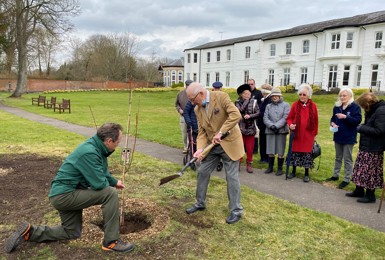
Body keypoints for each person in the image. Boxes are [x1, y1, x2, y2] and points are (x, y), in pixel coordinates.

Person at [5, 123, 134, 253]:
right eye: (118, 142)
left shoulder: (96, 148)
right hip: (64, 195)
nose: (118, 145)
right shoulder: (89, 152)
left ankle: (31, 233)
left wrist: (114, 181)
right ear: (109, 141)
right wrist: (110, 185)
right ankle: (111, 242)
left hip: (64, 194)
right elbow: (99, 184)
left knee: (71, 232)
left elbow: (101, 171)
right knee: (109, 193)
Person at [185, 82, 244, 224]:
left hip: (229, 143)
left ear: (201, 94)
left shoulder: (221, 96)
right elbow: (202, 132)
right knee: (202, 171)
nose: (192, 103)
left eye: (193, 99)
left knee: (231, 177)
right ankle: (200, 203)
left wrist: (221, 132)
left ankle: (236, 210)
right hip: (213, 146)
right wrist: (199, 149)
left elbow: (236, 115)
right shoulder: (197, 110)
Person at [346, 92, 385, 203]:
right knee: (361, 169)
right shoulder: (373, 110)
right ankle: (359, 190)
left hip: (374, 147)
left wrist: (361, 128)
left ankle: (370, 195)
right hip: (366, 145)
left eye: (363, 106)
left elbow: (380, 130)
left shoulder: (381, 111)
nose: (363, 108)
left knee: (370, 172)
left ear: (367, 103)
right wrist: (363, 127)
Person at [327, 88, 362, 189]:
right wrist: (333, 123)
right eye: (341, 95)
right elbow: (333, 118)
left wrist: (345, 117)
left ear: (350, 96)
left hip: (349, 136)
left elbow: (357, 120)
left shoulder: (355, 107)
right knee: (338, 157)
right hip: (338, 135)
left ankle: (347, 178)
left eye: (344, 95)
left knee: (347, 158)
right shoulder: (337, 107)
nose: (342, 97)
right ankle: (335, 175)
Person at [286, 83, 319, 182]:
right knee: (295, 153)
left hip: (308, 135)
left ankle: (306, 173)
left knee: (306, 154)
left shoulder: (313, 106)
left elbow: (316, 121)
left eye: (304, 94)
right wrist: (290, 125)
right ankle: (293, 171)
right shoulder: (295, 105)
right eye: (300, 94)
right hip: (297, 134)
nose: (302, 96)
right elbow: (289, 118)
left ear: (309, 95)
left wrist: (315, 134)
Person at [263, 88, 290, 176]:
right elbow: (265, 118)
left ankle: (279, 169)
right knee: (270, 150)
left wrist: (277, 126)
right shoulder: (268, 106)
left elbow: (285, 117)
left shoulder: (286, 105)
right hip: (270, 130)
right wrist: (271, 126)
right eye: (273, 95)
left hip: (281, 131)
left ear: (279, 96)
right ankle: (270, 167)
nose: (274, 97)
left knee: (280, 150)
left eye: (276, 95)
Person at [235, 84, 260, 173]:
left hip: (250, 128)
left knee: (250, 148)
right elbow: (240, 111)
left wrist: (250, 116)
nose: (248, 95)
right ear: (241, 94)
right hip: (240, 128)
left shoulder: (254, 102)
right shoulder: (237, 102)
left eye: (249, 93)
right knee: (239, 147)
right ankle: (238, 163)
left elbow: (258, 113)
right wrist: (246, 101)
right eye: (245, 94)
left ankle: (249, 163)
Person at [256, 83, 273, 161]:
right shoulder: (263, 100)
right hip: (261, 124)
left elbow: (267, 111)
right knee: (262, 141)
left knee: (266, 141)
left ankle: (266, 158)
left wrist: (259, 113)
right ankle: (262, 157)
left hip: (266, 124)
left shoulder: (269, 100)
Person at [175, 79, 193, 154]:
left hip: (192, 116)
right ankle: (185, 147)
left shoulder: (194, 94)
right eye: (189, 86)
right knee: (184, 133)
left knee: (191, 132)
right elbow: (177, 104)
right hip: (183, 116)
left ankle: (190, 146)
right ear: (186, 86)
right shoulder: (180, 94)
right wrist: (179, 110)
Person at [248, 79, 263, 157]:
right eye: (249, 84)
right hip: (247, 116)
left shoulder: (258, 93)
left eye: (252, 84)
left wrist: (255, 112)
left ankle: (255, 150)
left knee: (255, 133)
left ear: (254, 84)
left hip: (255, 116)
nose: (250, 85)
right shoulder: (246, 93)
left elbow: (260, 104)